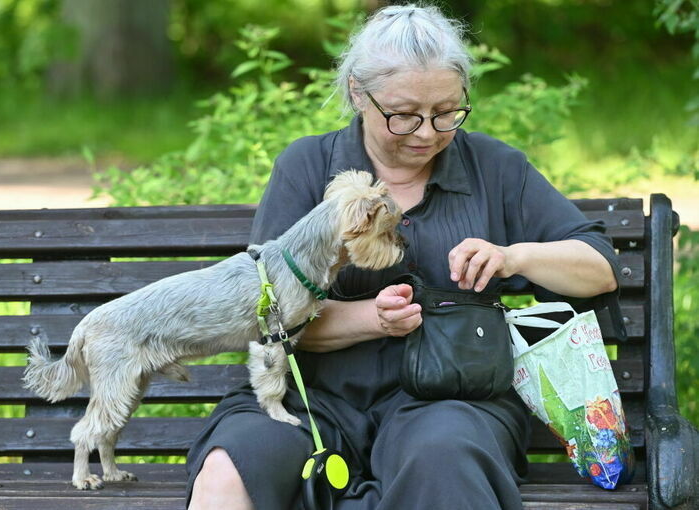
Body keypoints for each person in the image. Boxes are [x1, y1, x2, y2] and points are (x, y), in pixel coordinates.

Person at [185, 4, 620, 509]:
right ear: (357, 93)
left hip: (453, 405)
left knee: (444, 458)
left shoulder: (496, 169)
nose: (427, 132)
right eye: (404, 114)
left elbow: (600, 269)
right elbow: (267, 316)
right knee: (230, 468)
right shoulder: (307, 166)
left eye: (446, 112)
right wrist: (372, 319)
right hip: (310, 399)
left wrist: (514, 256)